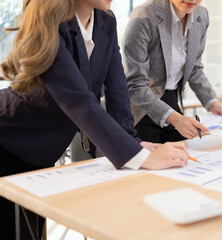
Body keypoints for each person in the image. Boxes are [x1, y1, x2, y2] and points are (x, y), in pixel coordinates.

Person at [0, 0, 189, 238]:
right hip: (9, 139)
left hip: (42, 150)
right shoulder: (50, 21)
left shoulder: (105, 20)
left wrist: (133, 141)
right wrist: (138, 157)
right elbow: (78, 100)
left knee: (33, 231)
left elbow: (117, 88)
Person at [122, 0, 222, 143]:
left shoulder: (201, 15)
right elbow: (135, 84)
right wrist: (176, 119)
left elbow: (194, 68)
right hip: (139, 111)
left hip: (172, 103)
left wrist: (212, 102)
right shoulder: (144, 16)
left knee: (186, 159)